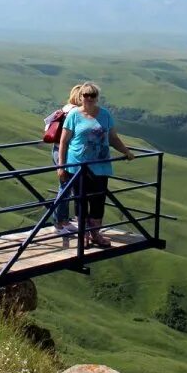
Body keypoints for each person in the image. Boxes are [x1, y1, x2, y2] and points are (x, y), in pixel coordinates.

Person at [57, 81, 134, 248]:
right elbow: (63, 142)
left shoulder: (105, 115)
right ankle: (83, 236)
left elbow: (113, 138)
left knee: (98, 202)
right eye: (86, 95)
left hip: (100, 166)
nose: (89, 98)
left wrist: (126, 151)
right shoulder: (73, 115)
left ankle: (95, 234)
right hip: (78, 166)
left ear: (97, 97)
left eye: (93, 95)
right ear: (81, 96)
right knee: (81, 201)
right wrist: (61, 166)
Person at [50, 84, 83, 235]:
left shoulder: (65, 108)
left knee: (66, 187)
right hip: (67, 152)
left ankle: (63, 221)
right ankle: (58, 224)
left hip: (57, 150)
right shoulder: (76, 112)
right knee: (65, 188)